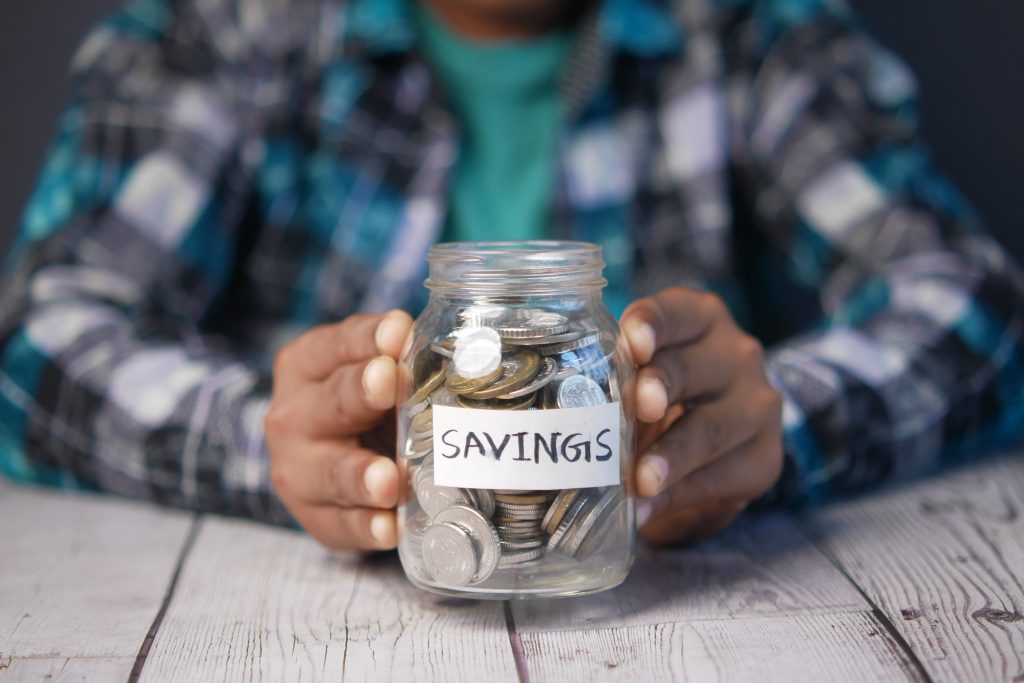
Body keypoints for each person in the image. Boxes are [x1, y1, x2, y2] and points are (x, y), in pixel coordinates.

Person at [1, 0, 1021, 552]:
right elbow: (36, 334)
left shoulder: (750, 33)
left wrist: (772, 426)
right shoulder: (222, 29)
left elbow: (977, 305)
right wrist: (264, 437)